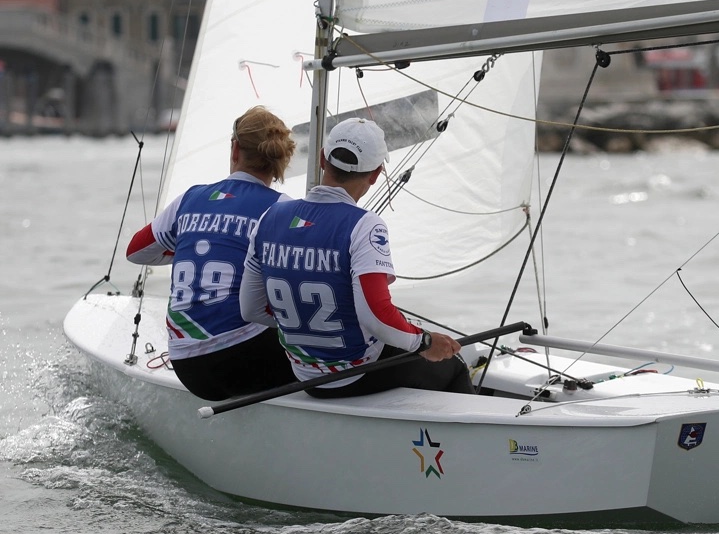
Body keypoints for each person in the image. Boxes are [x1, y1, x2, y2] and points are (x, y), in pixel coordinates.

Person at [239, 117, 474, 398]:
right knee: (455, 365)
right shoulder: (365, 225)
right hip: (354, 373)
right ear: (376, 174)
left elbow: (250, 309)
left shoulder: (271, 217)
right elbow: (376, 315)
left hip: (304, 374)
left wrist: (304, 328)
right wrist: (425, 342)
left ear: (323, 159)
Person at [125, 106, 298, 401]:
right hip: (249, 360)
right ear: (280, 158)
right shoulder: (283, 209)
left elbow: (136, 252)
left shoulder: (190, 198)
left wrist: (189, 249)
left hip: (187, 366)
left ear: (234, 150)